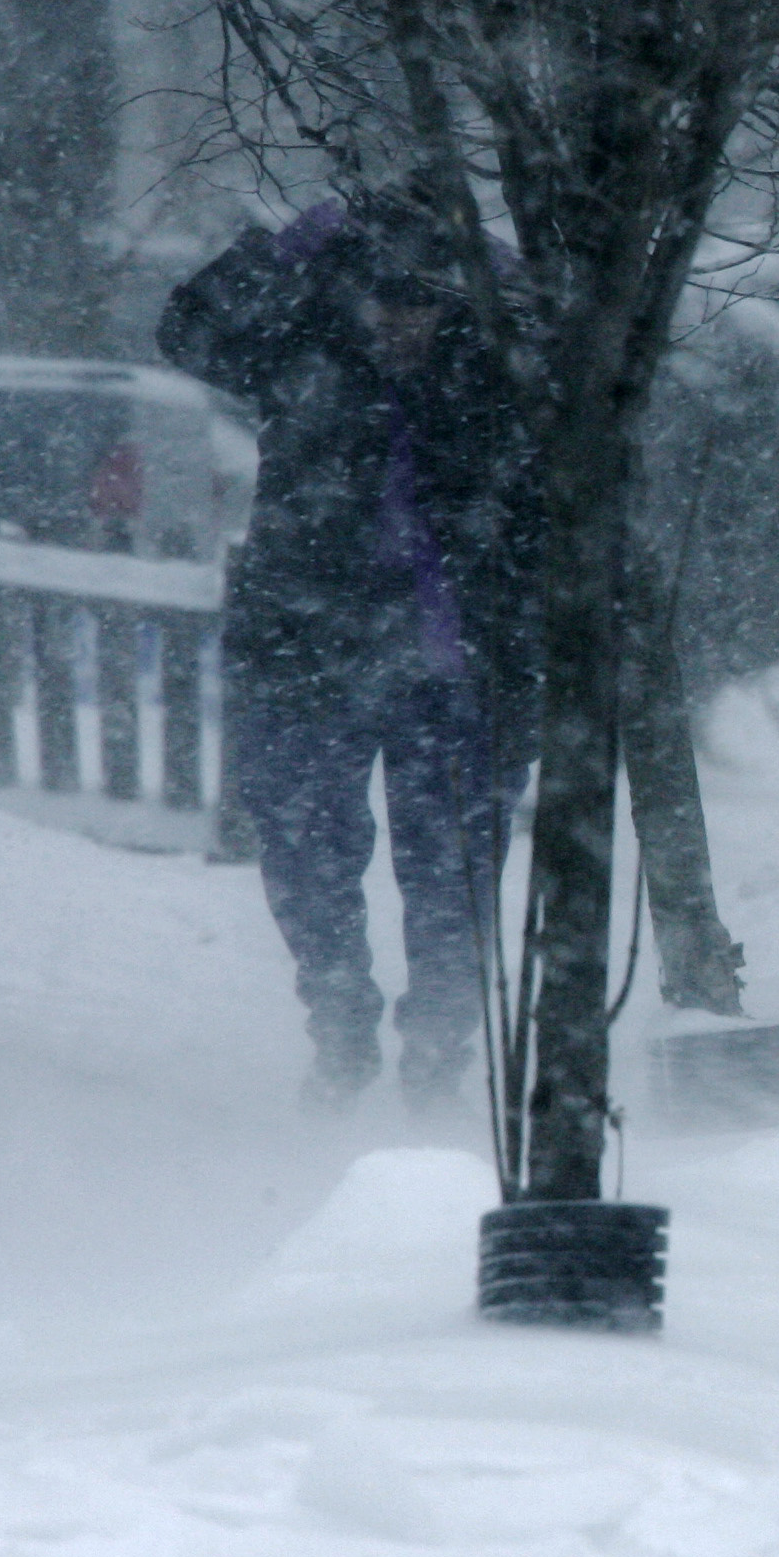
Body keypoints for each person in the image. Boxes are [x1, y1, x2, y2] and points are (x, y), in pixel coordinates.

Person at [159, 196, 539, 1111]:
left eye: (425, 300)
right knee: (303, 854)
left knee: (453, 877)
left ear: (458, 299)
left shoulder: (499, 368)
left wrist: (502, 274)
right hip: (307, 650)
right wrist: (277, 246)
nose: (400, 320)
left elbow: (570, 362)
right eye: (381, 299)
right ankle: (338, 1022)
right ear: (345, 295)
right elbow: (187, 330)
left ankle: (438, 1054)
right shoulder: (302, 350)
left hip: (462, 666)